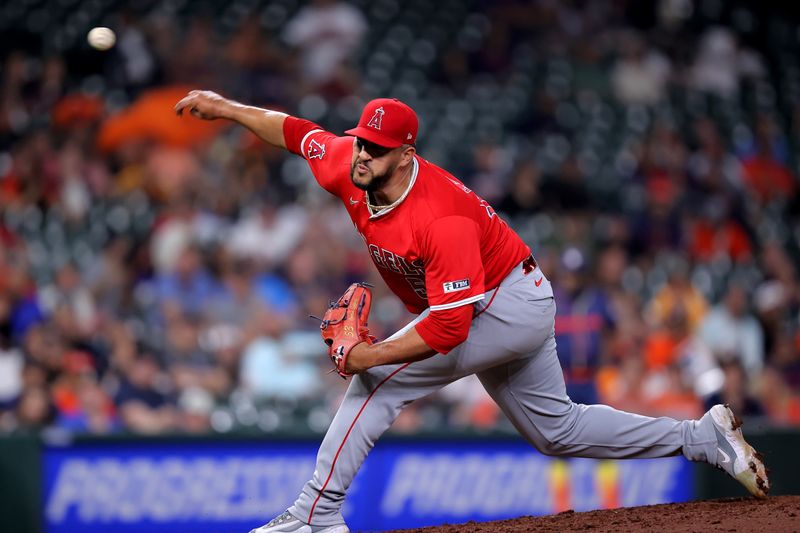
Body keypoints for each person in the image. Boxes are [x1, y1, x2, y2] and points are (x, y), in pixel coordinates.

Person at [174, 90, 769, 533]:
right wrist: (224, 107)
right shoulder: (348, 163)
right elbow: (293, 130)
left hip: (507, 302)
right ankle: (703, 438)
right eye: (361, 141)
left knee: (377, 384)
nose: (363, 155)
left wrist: (369, 356)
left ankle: (313, 515)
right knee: (555, 430)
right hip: (501, 297)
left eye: (378, 149)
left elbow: (449, 327)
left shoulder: (441, 216)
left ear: (407, 155)